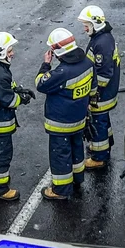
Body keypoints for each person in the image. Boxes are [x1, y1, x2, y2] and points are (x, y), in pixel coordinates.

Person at [35, 28, 94, 200]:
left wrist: (46, 64)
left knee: (60, 155)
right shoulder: (88, 63)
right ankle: (77, 178)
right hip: (79, 119)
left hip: (60, 124)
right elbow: (94, 87)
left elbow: (40, 84)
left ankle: (60, 190)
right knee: (76, 150)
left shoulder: (62, 73)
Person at [0, 32, 34, 201]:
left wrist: (18, 89)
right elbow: (7, 100)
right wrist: (21, 99)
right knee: (2, 155)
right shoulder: (1, 74)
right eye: (9, 50)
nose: (12, 53)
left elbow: (4, 88)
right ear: (1, 52)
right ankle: (0, 189)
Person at [78, 5, 119, 168]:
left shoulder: (101, 43)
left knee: (98, 122)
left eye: (86, 24)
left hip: (102, 95)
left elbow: (103, 75)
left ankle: (99, 156)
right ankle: (106, 144)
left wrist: (91, 92)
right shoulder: (103, 38)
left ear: (95, 23)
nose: (84, 28)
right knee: (103, 120)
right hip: (106, 93)